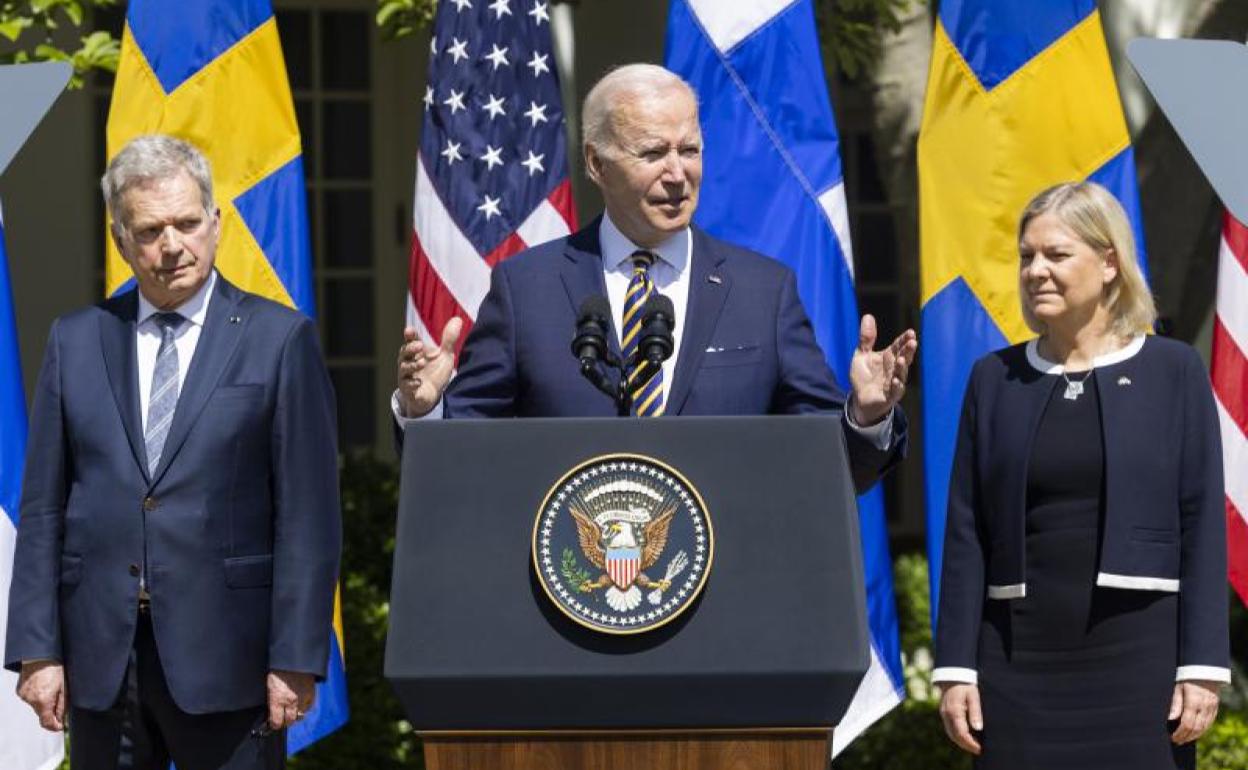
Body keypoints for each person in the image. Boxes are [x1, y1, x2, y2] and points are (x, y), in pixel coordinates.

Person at [393, 64, 916, 491]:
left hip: (730, 591)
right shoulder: (525, 289)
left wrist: (864, 416)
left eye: (688, 150)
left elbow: (830, 467)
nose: (677, 173)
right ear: (597, 164)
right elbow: (463, 459)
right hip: (572, 592)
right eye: (652, 153)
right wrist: (426, 412)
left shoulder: (764, 292)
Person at [4, 135, 342, 770]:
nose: (172, 246)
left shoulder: (279, 340)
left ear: (215, 224)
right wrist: (37, 648)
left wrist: (294, 657)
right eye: (150, 229)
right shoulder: (77, 340)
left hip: (231, 661)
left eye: (187, 223)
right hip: (103, 662)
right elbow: (44, 506)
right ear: (121, 239)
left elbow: (308, 516)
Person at [933, 181, 1229, 769]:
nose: (1036, 270)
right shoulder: (994, 379)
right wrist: (955, 668)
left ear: (1110, 262)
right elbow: (967, 531)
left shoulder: (1174, 371)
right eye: (1026, 256)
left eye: (1056, 254)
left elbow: (1201, 522)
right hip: (1016, 665)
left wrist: (1201, 667)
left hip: (1140, 663)